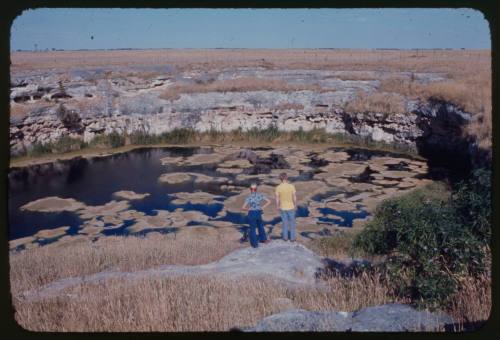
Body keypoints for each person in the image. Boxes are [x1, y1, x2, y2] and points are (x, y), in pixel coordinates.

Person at [242, 183, 271, 248]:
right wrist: (262, 207)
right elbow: (269, 201)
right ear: (256, 189)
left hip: (251, 213)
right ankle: (264, 240)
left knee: (252, 229)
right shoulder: (260, 195)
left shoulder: (248, 197)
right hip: (258, 213)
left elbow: (243, 207)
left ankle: (255, 245)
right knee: (261, 226)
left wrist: (248, 209)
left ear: (250, 189)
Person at [275, 172, 297, 242]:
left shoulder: (278, 187)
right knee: (292, 223)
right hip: (291, 207)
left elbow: (277, 198)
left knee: (285, 223)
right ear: (286, 178)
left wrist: (277, 206)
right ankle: (292, 238)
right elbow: (294, 197)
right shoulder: (291, 186)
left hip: (282, 208)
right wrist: (295, 205)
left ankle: (285, 238)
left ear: (280, 179)